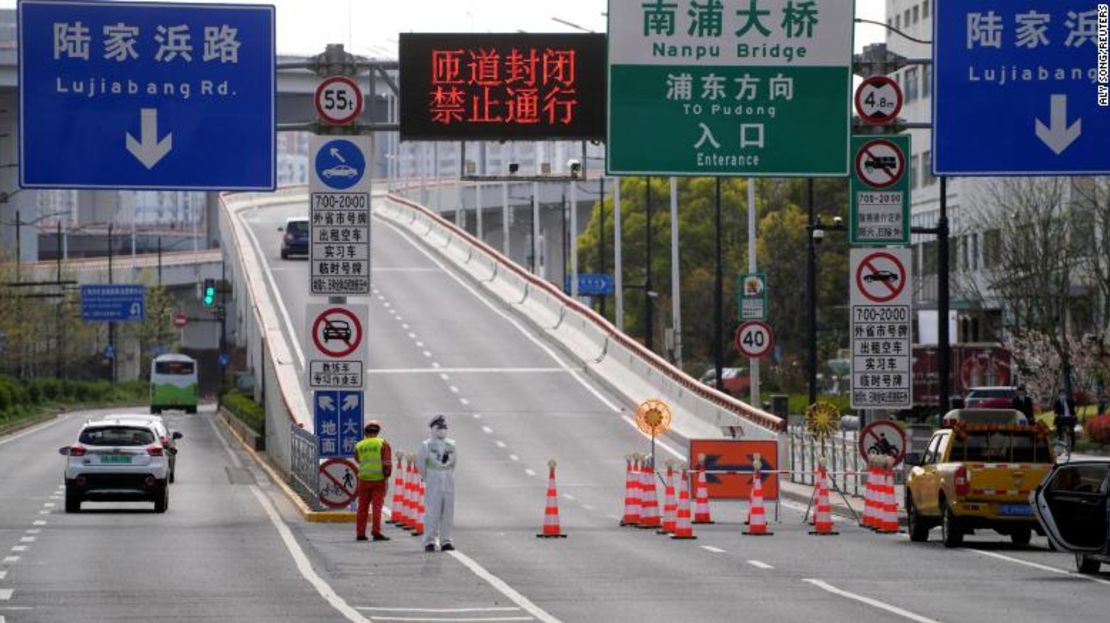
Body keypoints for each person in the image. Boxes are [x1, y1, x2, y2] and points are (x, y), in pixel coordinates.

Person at [417, 414, 457, 552]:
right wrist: (428, 477)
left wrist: (447, 474)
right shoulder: (426, 445)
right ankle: (429, 541)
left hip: (448, 480)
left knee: (448, 512)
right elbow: (420, 464)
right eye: (439, 427)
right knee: (432, 512)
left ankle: (446, 541)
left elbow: (453, 463)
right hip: (433, 481)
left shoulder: (451, 444)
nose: (442, 430)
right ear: (433, 428)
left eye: (444, 427)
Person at [354, 420, 392, 542]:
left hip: (363, 479)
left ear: (365, 432)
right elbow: (387, 462)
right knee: (376, 507)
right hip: (378, 480)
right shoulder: (382, 443)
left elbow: (358, 459)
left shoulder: (359, 445)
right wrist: (386, 475)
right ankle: (376, 532)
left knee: (362, 508)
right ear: (377, 432)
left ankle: (360, 534)